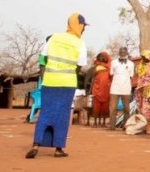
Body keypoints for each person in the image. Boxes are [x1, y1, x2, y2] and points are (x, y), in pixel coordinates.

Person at [26, 14, 89, 158]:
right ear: (78, 25)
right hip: (67, 83)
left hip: (49, 81)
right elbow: (79, 66)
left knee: (45, 113)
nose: (84, 28)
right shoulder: (80, 43)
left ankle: (36, 145)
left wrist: (46, 76)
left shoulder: (54, 37)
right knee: (62, 116)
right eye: (83, 25)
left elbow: (43, 60)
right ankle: (58, 148)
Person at [108, 46, 134, 129]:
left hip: (126, 88)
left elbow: (131, 76)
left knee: (126, 109)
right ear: (119, 53)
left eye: (124, 52)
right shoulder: (113, 62)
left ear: (126, 53)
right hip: (115, 88)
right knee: (113, 108)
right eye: (121, 52)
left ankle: (125, 126)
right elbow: (111, 74)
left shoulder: (131, 64)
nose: (122, 53)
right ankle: (112, 126)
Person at [134, 50, 150, 134]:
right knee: (144, 109)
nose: (144, 59)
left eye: (146, 57)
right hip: (143, 90)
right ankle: (145, 127)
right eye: (143, 57)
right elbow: (138, 74)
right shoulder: (140, 65)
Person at [90, 51, 112, 127]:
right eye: (100, 57)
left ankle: (102, 122)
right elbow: (93, 77)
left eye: (103, 57)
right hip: (97, 88)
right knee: (96, 107)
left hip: (106, 88)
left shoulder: (110, 67)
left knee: (105, 108)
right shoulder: (96, 66)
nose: (102, 58)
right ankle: (96, 122)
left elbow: (111, 77)